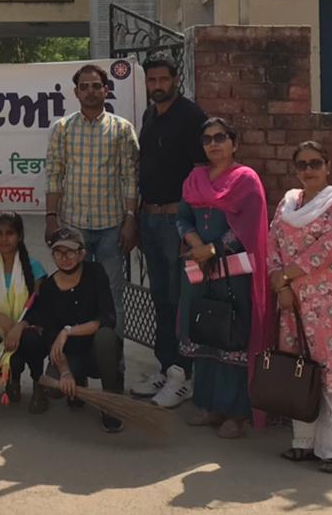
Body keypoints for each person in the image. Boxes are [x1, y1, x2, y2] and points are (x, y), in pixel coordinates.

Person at [268, 141, 332, 474]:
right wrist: (281, 286)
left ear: (328, 166)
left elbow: (330, 246)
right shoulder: (288, 204)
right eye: (302, 164)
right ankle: (304, 442)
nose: (308, 170)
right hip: (292, 302)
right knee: (300, 370)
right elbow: (272, 243)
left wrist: (287, 276)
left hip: (330, 303)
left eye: (315, 163)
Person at [176, 116, 270, 439]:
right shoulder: (194, 178)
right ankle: (208, 405)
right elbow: (182, 217)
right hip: (199, 268)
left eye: (220, 138)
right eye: (207, 139)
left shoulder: (246, 180)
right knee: (204, 330)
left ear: (234, 143)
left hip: (234, 270)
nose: (213, 144)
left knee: (232, 333)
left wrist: (214, 248)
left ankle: (236, 413)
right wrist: (196, 245)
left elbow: (248, 225)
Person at [44, 63, 140, 341]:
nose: (90, 91)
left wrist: (130, 219)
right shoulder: (62, 128)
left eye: (96, 86)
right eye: (84, 87)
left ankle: (113, 359)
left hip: (112, 226)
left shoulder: (122, 129)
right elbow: (54, 175)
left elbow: (130, 177)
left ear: (106, 90)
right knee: (74, 294)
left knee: (112, 294)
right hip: (74, 227)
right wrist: (51, 217)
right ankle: (76, 357)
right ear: (76, 92)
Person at [132, 56, 206, 406]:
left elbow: (201, 172)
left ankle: (183, 375)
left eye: (163, 79)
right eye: (152, 80)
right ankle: (165, 367)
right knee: (160, 297)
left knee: (180, 299)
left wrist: (190, 227)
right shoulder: (150, 116)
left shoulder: (191, 117)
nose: (158, 85)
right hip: (149, 218)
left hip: (177, 221)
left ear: (175, 80)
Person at [15, 226, 125, 433]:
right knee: (53, 388)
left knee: (106, 337)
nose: (65, 258)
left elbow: (107, 318)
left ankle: (111, 400)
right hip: (71, 354)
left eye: (71, 252)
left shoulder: (96, 272)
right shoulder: (48, 288)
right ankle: (77, 384)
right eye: (59, 253)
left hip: (97, 351)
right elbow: (51, 336)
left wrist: (67, 331)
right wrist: (65, 371)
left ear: (82, 253)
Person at [0, 211, 48, 402]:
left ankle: (39, 384)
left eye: (10, 233)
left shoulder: (34, 268)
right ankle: (12, 380)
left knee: (31, 338)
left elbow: (41, 309)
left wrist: (20, 326)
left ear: (19, 236)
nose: (4, 239)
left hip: (27, 332)